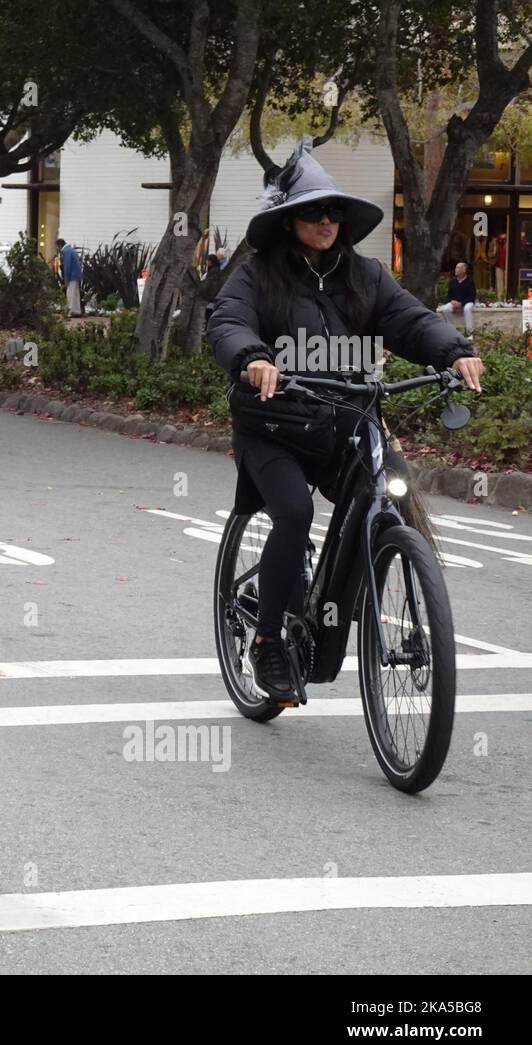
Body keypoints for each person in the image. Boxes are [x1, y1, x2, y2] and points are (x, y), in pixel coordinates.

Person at [207, 140, 485, 702]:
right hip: (273, 428)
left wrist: (453, 351)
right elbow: (228, 321)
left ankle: (373, 590)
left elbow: (408, 319)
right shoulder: (256, 275)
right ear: (289, 221)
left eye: (334, 212)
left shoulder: (365, 275)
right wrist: (254, 359)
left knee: (395, 493)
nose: (327, 221)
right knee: (294, 511)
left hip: (345, 426)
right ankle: (266, 641)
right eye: (313, 211)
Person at [437, 260, 477, 339]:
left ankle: (470, 333)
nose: (456, 270)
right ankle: (452, 330)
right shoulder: (452, 282)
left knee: (467, 308)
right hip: (455, 302)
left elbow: (472, 296)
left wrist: (461, 303)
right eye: (456, 268)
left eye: (458, 268)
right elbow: (449, 296)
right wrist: (452, 301)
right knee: (445, 309)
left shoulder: (470, 282)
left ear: (464, 270)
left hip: (467, 302)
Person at [56, 237, 83, 317]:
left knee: (70, 293)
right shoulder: (71, 250)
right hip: (76, 274)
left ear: (59, 245)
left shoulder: (66, 251)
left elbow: (67, 266)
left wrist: (66, 279)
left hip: (71, 275)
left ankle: (70, 311)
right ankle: (77, 310)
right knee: (75, 293)